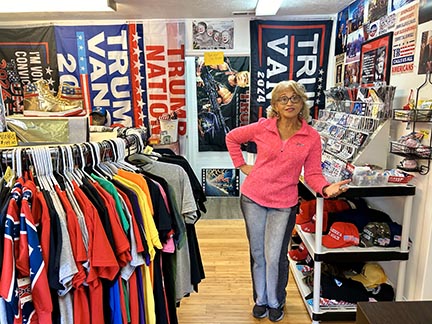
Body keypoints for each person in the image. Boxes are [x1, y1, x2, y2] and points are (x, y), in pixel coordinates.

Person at [225, 80, 350, 322]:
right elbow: (232, 137)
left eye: (294, 98)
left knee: (275, 256)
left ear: (302, 102)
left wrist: (325, 187)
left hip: (284, 203)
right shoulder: (263, 128)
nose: (289, 102)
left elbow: (313, 173)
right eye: (283, 98)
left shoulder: (311, 137)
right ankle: (260, 299)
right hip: (253, 198)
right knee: (258, 253)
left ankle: (276, 301)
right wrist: (240, 165)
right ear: (275, 104)